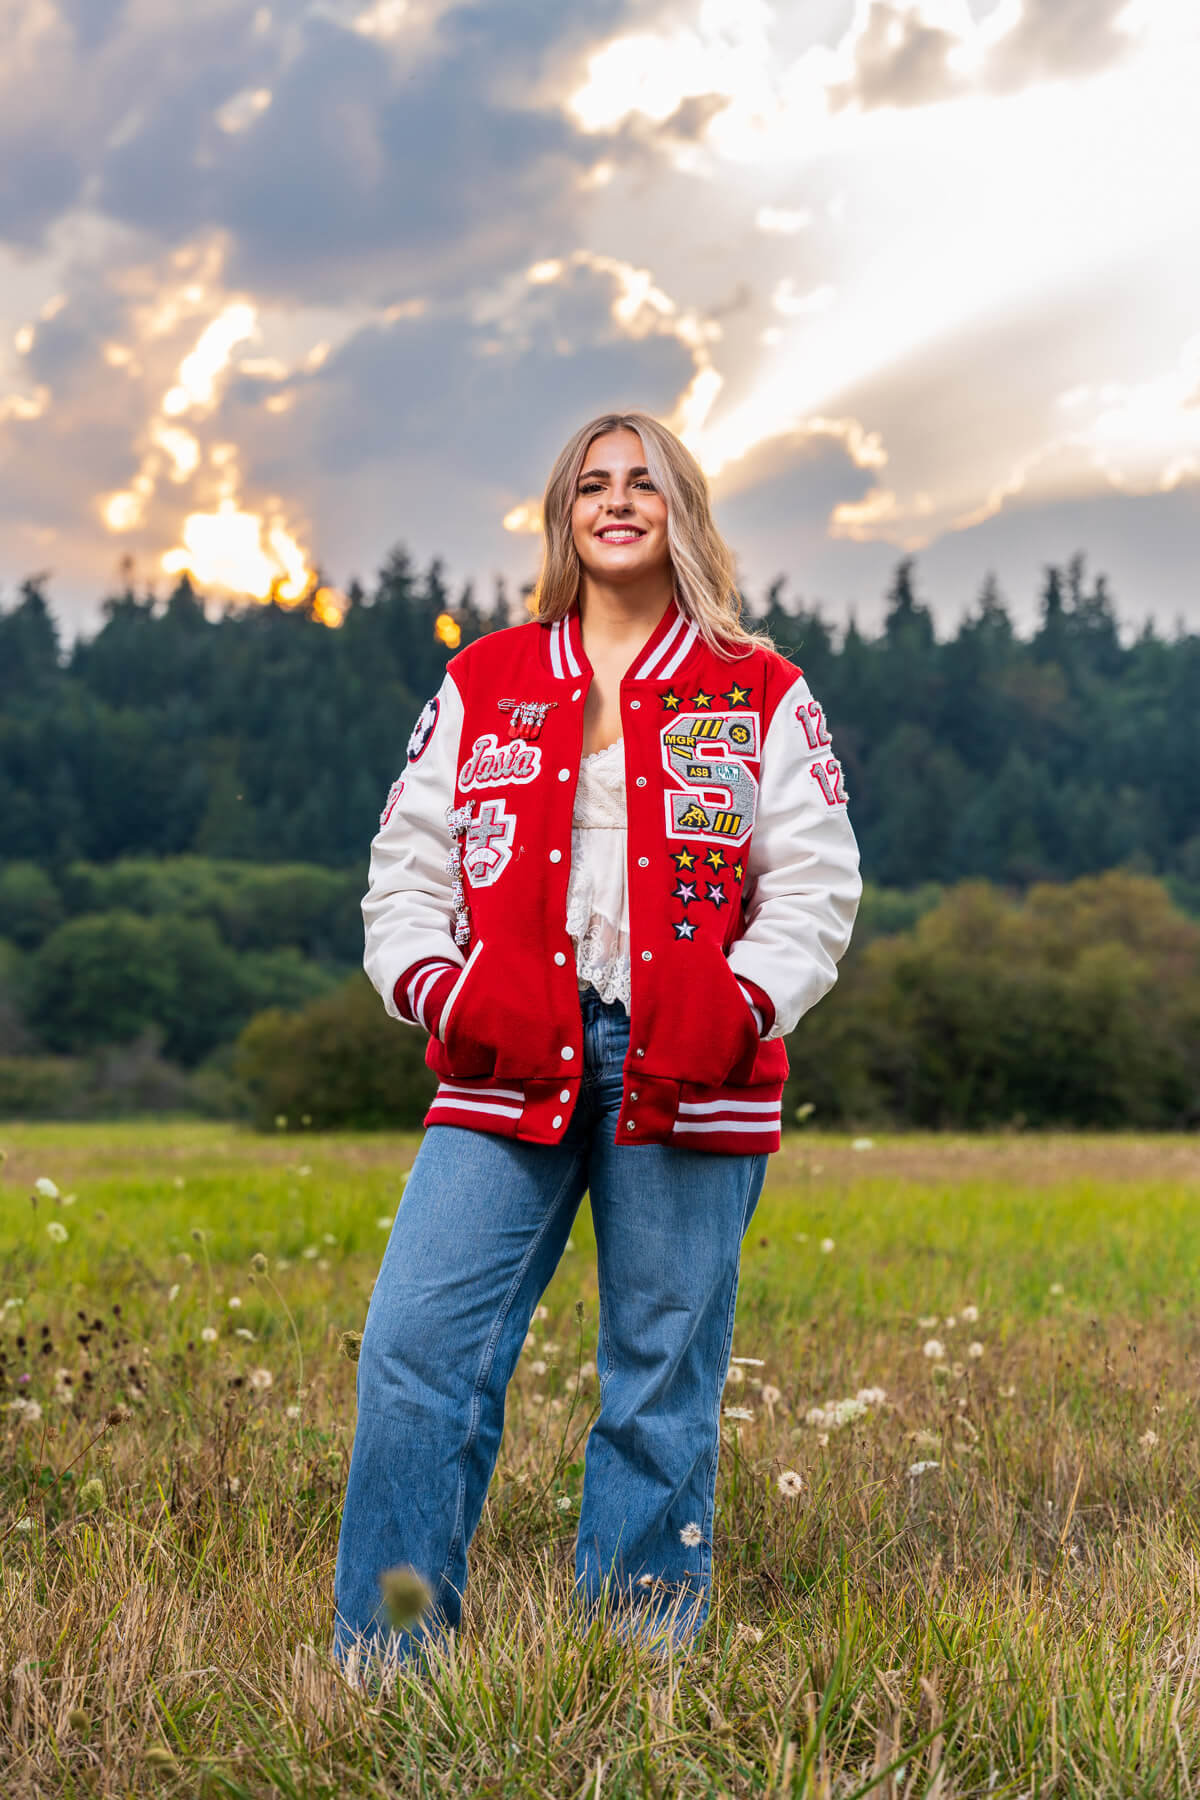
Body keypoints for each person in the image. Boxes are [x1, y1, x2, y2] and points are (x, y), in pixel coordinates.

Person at [332, 409, 862, 1685]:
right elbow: (404, 871)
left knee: (658, 1375)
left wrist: (736, 1013)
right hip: (503, 1062)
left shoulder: (761, 689)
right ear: (564, 516)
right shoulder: (487, 680)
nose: (617, 502)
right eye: (591, 485)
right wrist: (441, 996)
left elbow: (816, 887)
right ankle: (393, 1660)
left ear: (683, 508)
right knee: (419, 1351)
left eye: (644, 483)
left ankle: (638, 1668)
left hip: (691, 1070)